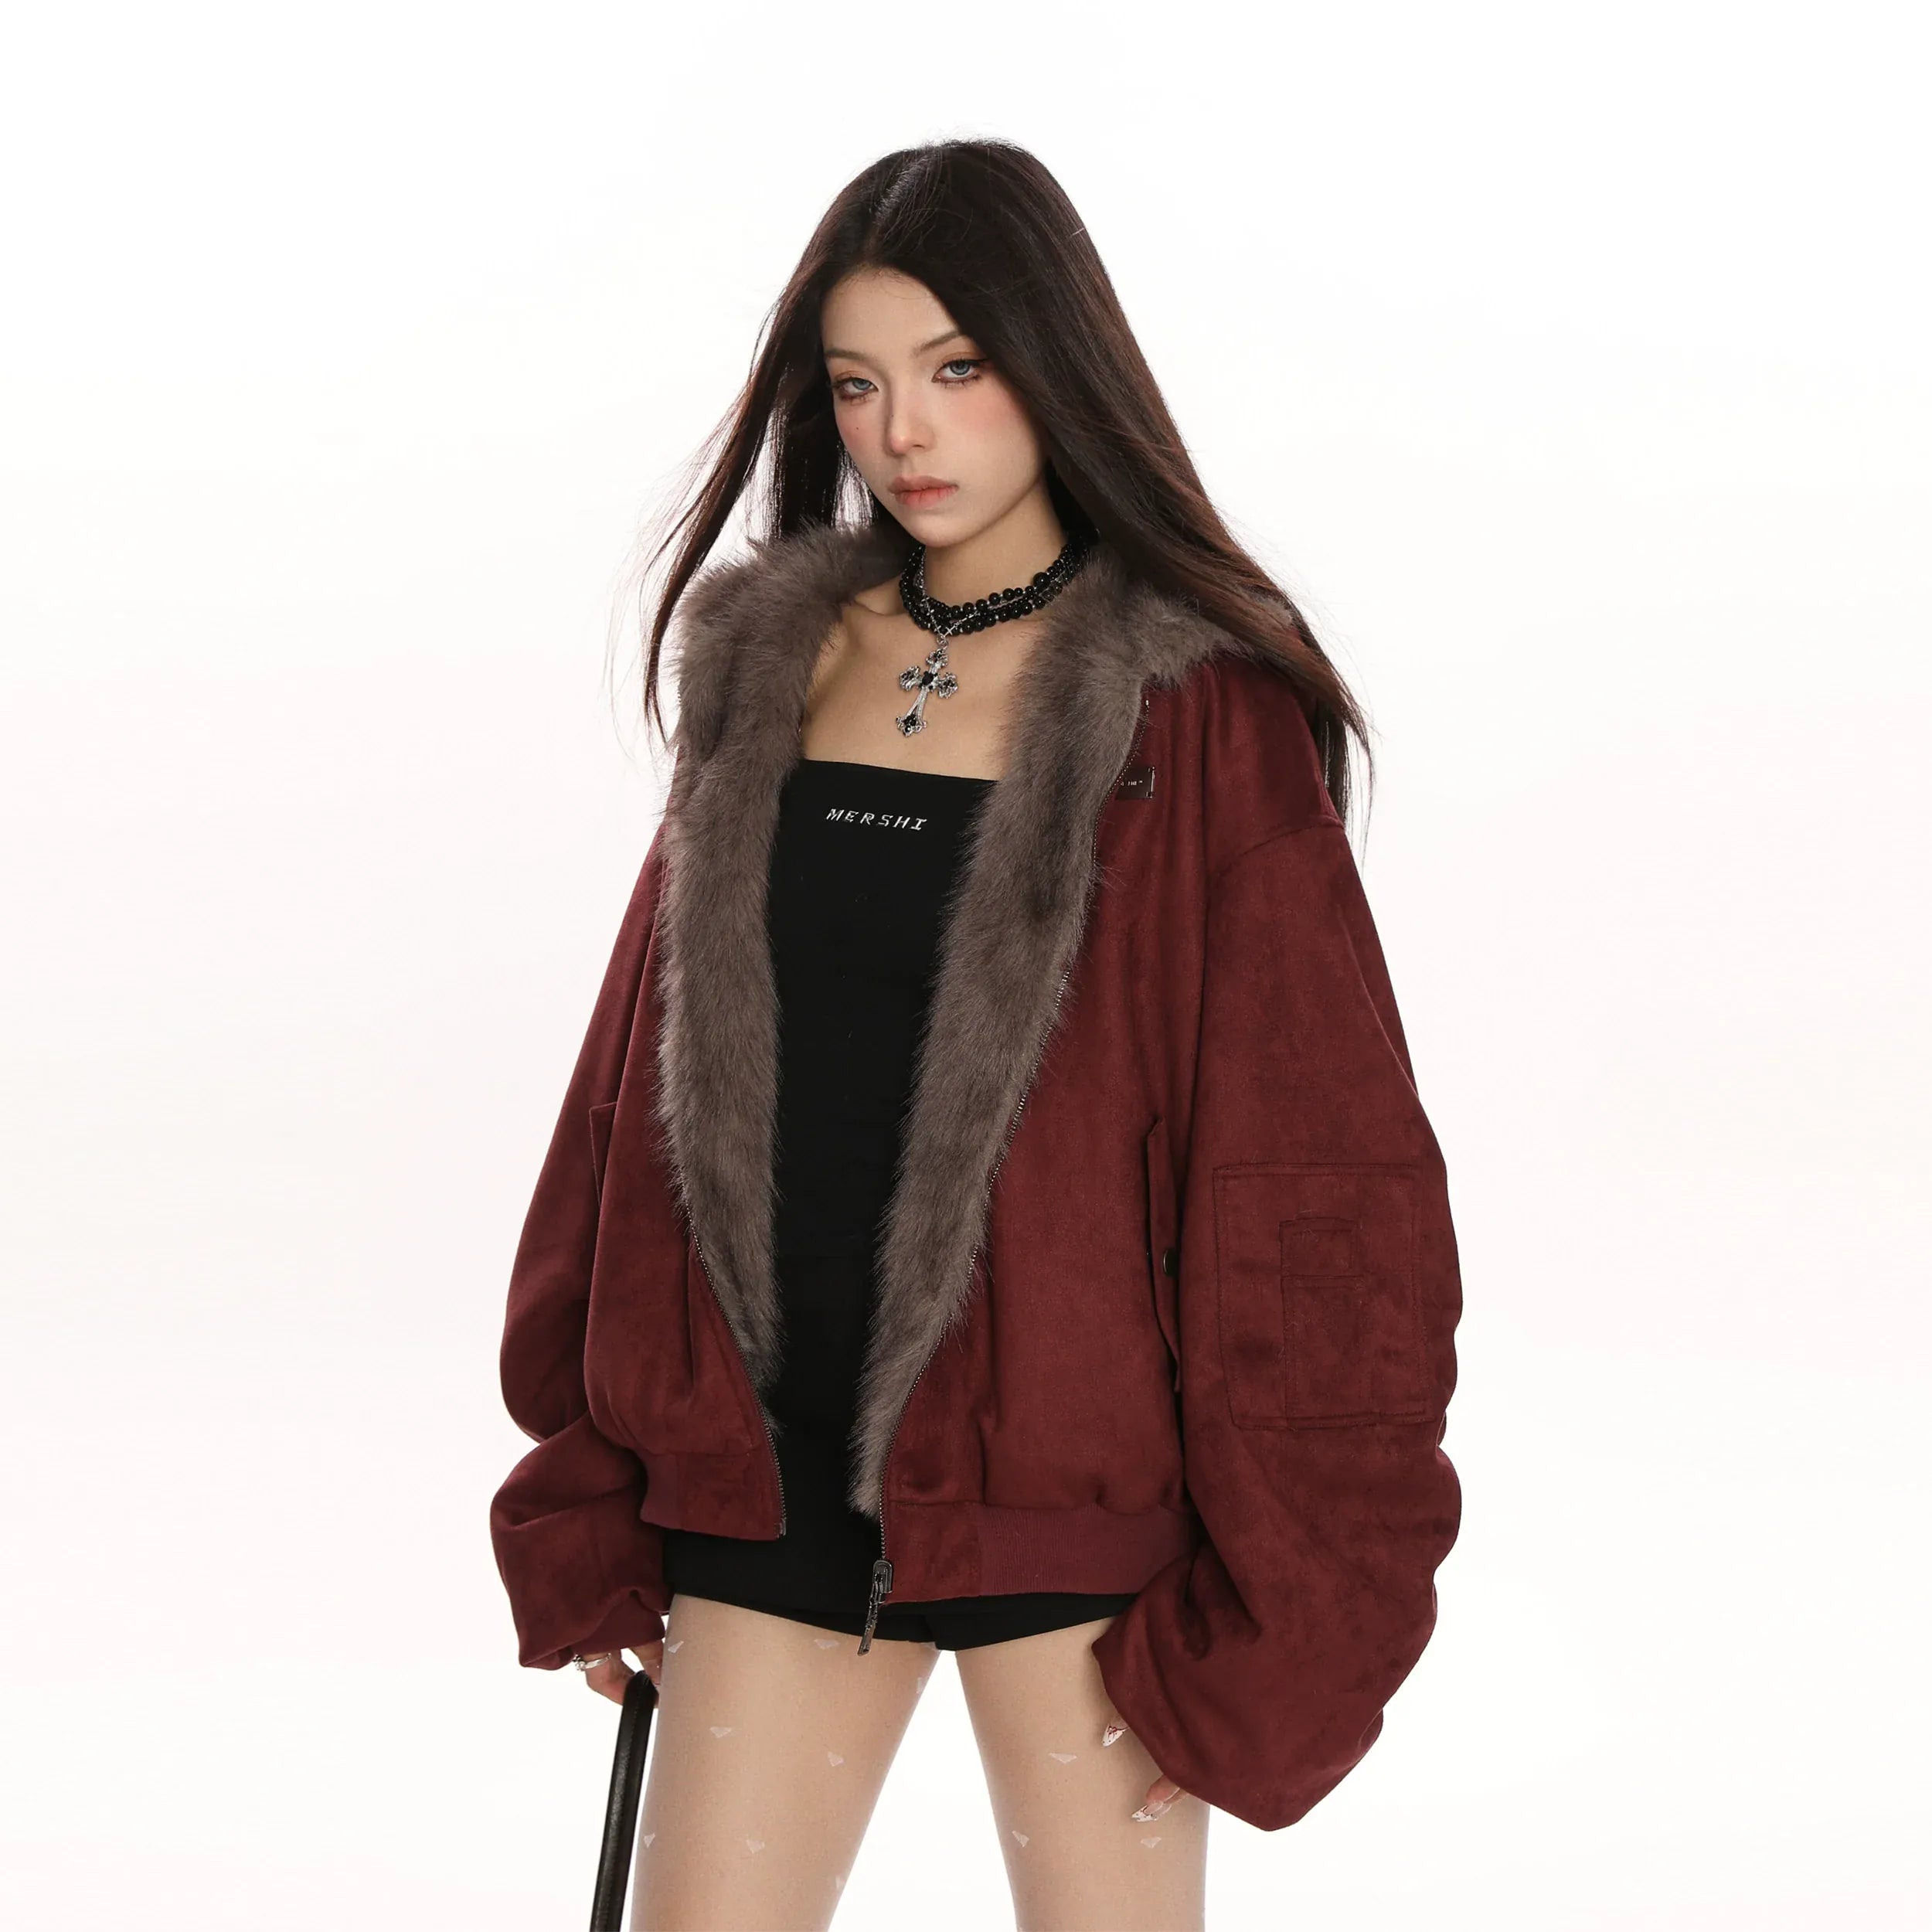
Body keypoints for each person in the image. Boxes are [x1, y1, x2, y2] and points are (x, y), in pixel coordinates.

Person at [489, 138, 1463, 1932]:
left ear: (1055, 360)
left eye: (955, 367)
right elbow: (626, 1116)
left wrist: (1300, 1608)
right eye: (856, 382)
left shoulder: (1198, 711)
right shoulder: (770, 664)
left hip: (1074, 1509)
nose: (902, 431)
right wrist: (593, 1489)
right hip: (767, 1488)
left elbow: (1322, 1188)